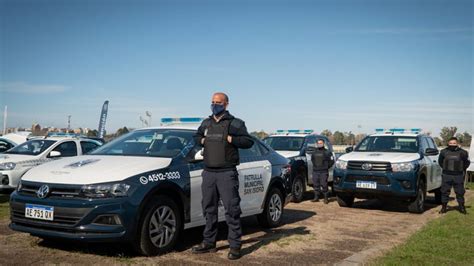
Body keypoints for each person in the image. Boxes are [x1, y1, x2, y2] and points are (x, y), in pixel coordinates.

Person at [191, 92, 254, 260]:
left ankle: (235, 246)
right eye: (212, 102)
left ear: (226, 104)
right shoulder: (206, 122)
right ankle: (209, 243)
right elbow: (196, 137)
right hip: (209, 173)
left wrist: (231, 139)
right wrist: (202, 140)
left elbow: (248, 141)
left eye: (218, 102)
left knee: (232, 210)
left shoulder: (235, 123)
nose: (214, 105)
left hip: (227, 173)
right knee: (208, 209)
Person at [438, 137, 470, 214]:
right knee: (444, 192)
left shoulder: (463, 152)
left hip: (458, 175)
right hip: (446, 175)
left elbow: (466, 163)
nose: (452, 145)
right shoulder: (443, 152)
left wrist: (460, 169)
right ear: (448, 143)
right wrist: (447, 169)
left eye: (454, 143)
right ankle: (444, 208)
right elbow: (440, 162)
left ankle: (462, 208)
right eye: (451, 143)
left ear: (457, 144)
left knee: (460, 192)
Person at [308, 139, 334, 204]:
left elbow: (332, 161)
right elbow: (312, 160)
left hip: (323, 171)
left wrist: (326, 167)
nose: (320, 144)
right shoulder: (314, 152)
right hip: (315, 171)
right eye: (318, 143)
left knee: (324, 184)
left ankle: (326, 198)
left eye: (321, 143)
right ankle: (316, 198)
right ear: (317, 144)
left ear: (323, 144)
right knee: (316, 185)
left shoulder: (327, 152)